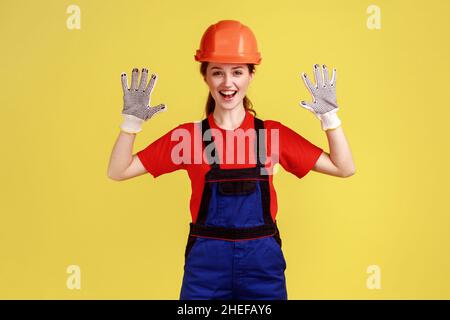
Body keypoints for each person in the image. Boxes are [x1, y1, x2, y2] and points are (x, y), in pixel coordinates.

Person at [107, 20, 355, 300]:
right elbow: (118, 171)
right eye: (217, 73)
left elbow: (344, 167)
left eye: (237, 72)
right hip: (205, 273)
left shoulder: (272, 135)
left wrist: (330, 118)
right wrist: (131, 123)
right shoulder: (188, 137)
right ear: (205, 77)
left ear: (251, 75)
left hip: (263, 269)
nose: (227, 83)